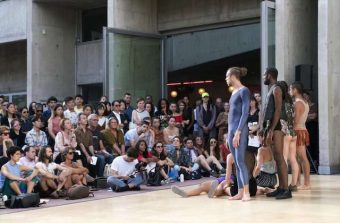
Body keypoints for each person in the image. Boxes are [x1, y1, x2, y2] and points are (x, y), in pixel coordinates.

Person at [262, 67, 291, 199]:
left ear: (269, 75)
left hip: (278, 125)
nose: (263, 77)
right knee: (277, 158)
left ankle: (286, 189)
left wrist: (271, 130)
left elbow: (278, 110)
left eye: (264, 75)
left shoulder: (277, 89)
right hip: (275, 126)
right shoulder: (272, 89)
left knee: (279, 157)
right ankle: (281, 187)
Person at [225, 67, 251, 201]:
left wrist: (238, 132)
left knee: (240, 161)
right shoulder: (234, 92)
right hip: (231, 130)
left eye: (227, 76)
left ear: (233, 76)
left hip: (239, 130)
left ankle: (247, 193)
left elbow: (245, 113)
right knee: (236, 162)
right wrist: (228, 133)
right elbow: (231, 114)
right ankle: (240, 192)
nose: (226, 79)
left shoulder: (244, 90)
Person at [277, 81, 299, 192]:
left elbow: (281, 119)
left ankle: (284, 184)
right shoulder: (291, 102)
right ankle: (294, 184)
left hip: (286, 133)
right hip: (293, 132)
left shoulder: (281, 102)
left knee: (284, 159)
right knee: (293, 159)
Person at [290, 82, 311, 190]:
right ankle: (299, 182)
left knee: (302, 158)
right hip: (302, 129)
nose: (289, 91)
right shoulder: (304, 101)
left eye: (290, 89)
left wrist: (289, 129)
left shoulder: (298, 103)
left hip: (298, 131)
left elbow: (296, 120)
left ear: (295, 90)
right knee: (299, 158)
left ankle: (306, 183)